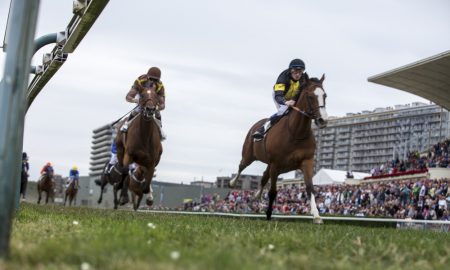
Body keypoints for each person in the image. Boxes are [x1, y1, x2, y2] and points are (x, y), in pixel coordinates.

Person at [252, 59, 309, 139]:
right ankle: (262, 130)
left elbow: (301, 92)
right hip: (280, 96)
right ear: (290, 71)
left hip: (292, 97)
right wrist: (285, 102)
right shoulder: (283, 77)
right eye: (295, 72)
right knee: (283, 110)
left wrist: (294, 99)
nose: (297, 75)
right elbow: (278, 95)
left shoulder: (303, 79)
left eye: (300, 72)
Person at [120, 67, 166, 140]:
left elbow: (163, 105)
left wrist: (157, 108)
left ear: (159, 79)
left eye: (155, 80)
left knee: (157, 112)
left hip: (154, 96)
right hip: (141, 94)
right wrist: (136, 101)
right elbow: (128, 97)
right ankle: (126, 124)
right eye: (151, 79)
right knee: (139, 108)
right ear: (147, 77)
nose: (153, 82)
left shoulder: (160, 87)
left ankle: (160, 129)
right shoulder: (140, 81)